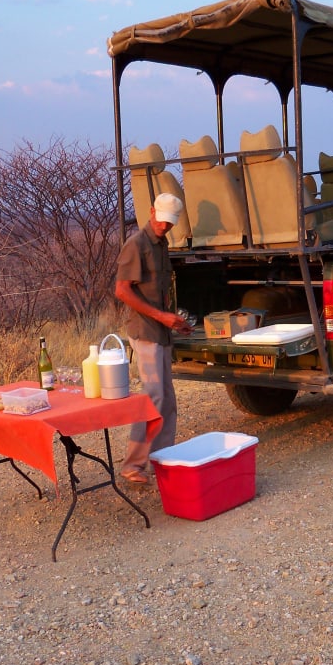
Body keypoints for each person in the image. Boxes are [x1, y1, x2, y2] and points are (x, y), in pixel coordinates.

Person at [114, 192, 193, 484]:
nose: (164, 226)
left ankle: (162, 459)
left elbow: (159, 289)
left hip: (161, 329)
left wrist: (174, 322)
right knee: (153, 397)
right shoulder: (136, 244)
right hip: (145, 330)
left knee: (167, 399)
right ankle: (133, 465)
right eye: (161, 220)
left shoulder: (162, 244)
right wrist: (161, 317)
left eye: (169, 222)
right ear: (151, 212)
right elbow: (122, 290)